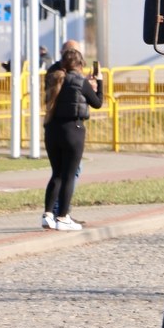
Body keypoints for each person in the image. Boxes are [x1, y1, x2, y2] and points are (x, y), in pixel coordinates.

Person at [42, 47, 102, 231]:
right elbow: (98, 103)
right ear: (80, 64)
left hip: (52, 129)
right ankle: (63, 218)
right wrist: (98, 82)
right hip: (73, 130)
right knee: (69, 175)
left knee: (56, 174)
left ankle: (48, 215)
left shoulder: (53, 78)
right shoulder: (79, 81)